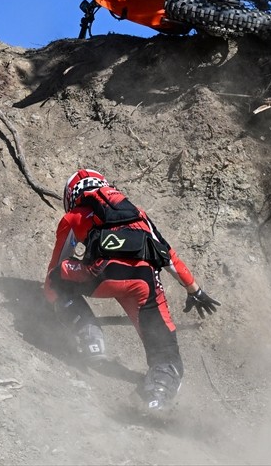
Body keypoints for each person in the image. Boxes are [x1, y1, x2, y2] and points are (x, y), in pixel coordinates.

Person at [43, 169, 220, 412]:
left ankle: (88, 335)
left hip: (101, 276)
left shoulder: (74, 216)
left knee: (56, 278)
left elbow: (54, 272)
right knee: (166, 355)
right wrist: (195, 291)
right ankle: (156, 399)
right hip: (144, 283)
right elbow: (169, 258)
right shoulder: (139, 215)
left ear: (72, 195)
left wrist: (53, 308)